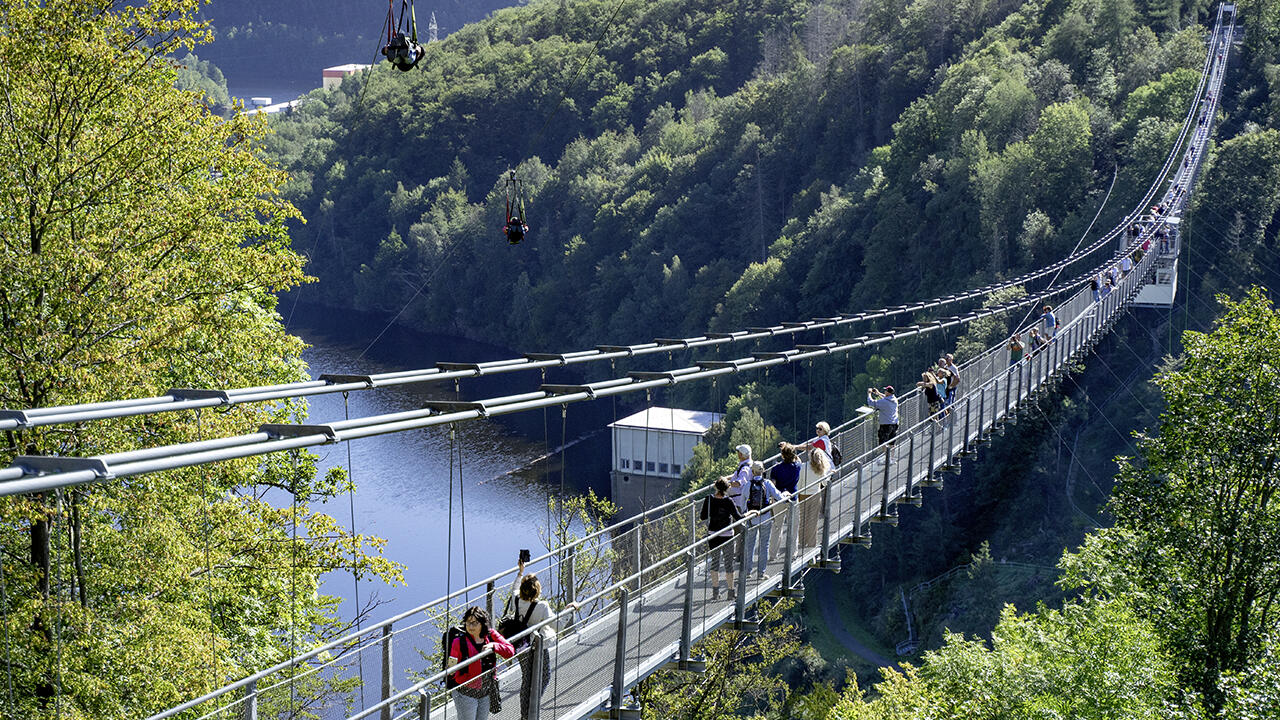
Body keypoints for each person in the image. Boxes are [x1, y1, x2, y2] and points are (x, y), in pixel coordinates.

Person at [449, 607, 516, 720]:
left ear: (482, 623)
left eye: (474, 623)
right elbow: (452, 667)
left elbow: (510, 651)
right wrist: (452, 671)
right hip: (466, 692)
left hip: (485, 691)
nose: (470, 627)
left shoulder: (490, 635)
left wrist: (494, 646)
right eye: (468, 623)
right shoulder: (459, 642)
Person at [510, 563, 557, 720]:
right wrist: (571, 608)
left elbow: (514, 590)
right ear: (537, 590)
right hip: (537, 647)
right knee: (544, 676)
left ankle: (525, 714)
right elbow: (558, 624)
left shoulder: (516, 600)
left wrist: (520, 573)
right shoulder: (542, 606)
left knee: (526, 678)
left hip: (520, 646)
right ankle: (532, 708)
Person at [700, 478, 749, 599]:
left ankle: (715, 593)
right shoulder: (729, 501)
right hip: (727, 535)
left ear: (715, 487)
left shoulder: (709, 499)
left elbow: (703, 517)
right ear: (728, 488)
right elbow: (738, 517)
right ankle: (731, 592)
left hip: (713, 534)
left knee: (715, 562)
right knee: (728, 563)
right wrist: (749, 513)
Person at [744, 460, 787, 579]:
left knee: (750, 545)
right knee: (764, 545)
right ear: (763, 471)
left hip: (752, 519)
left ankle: (748, 572)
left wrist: (745, 515)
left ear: (752, 472)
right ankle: (761, 573)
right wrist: (786, 495)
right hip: (766, 518)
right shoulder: (767, 483)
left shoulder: (748, 484)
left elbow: (743, 502)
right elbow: (778, 496)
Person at [768, 443, 803, 559]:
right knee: (793, 527)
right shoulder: (797, 466)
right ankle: (793, 553)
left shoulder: (775, 469)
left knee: (777, 527)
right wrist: (791, 448)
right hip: (793, 498)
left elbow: (773, 485)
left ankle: (773, 554)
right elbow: (798, 459)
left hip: (779, 500)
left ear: (782, 455)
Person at [721, 444, 753, 515]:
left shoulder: (745, 468)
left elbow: (739, 483)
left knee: (738, 524)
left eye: (738, 452)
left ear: (741, 454)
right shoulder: (748, 464)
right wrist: (725, 478)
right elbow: (736, 475)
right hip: (738, 499)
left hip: (738, 501)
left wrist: (723, 484)